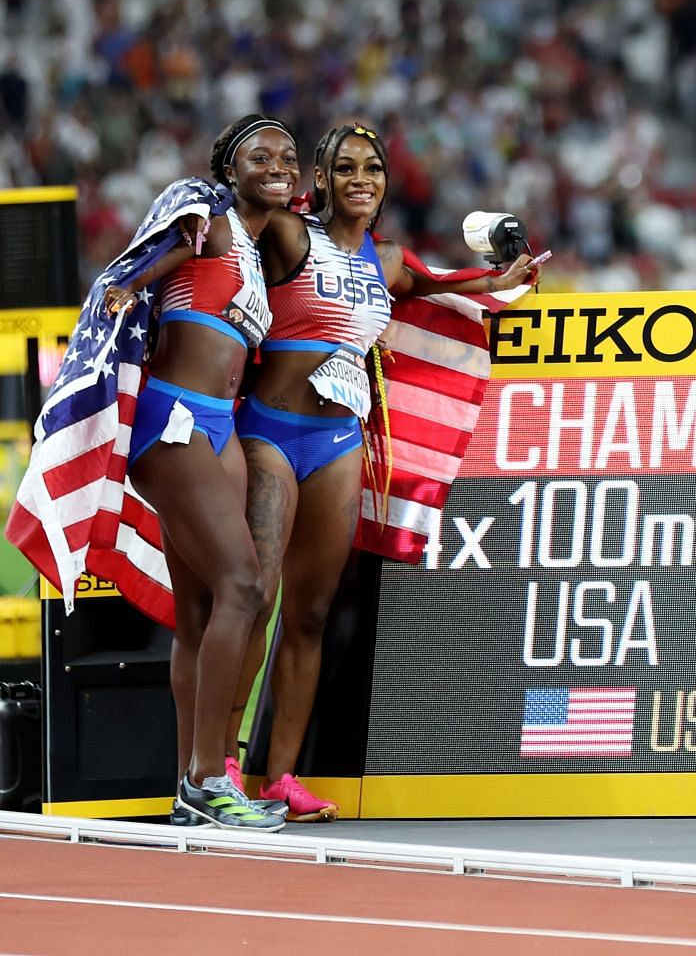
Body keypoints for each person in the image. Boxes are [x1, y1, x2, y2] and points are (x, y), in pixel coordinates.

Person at [231, 122, 538, 821]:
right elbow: (225, 230)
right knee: (255, 597)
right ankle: (220, 769)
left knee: (309, 614)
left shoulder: (390, 261)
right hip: (270, 433)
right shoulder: (285, 234)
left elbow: (466, 286)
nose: (361, 179)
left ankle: (279, 779)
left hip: (338, 442)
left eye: (372, 168)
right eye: (345, 168)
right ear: (322, 176)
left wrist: (511, 274)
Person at [104, 115, 299, 830]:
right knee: (245, 587)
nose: (277, 164)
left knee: (198, 615)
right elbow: (165, 246)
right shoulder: (211, 216)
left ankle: (191, 786)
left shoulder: (255, 244)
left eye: (287, 156)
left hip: (219, 424)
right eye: (259, 155)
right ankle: (207, 776)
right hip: (177, 418)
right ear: (229, 166)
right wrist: (131, 283)